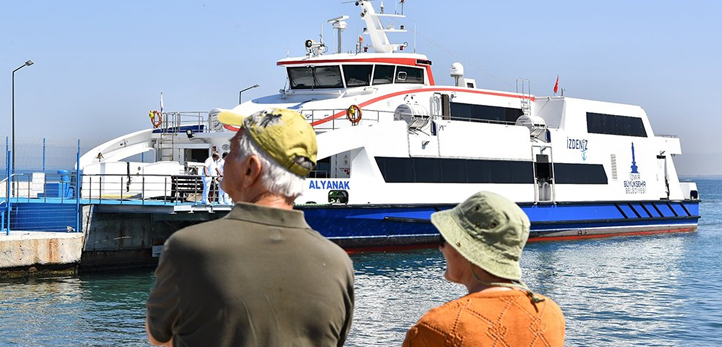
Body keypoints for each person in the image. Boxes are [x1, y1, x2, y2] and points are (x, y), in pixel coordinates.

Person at [146, 108, 355, 347]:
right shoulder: (338, 264)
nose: (224, 160)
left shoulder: (188, 248)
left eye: (232, 151)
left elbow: (158, 337)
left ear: (250, 169)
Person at [402, 191, 565, 347]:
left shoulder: (436, 327)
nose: (441, 248)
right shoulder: (550, 312)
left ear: (462, 248)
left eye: (444, 239)